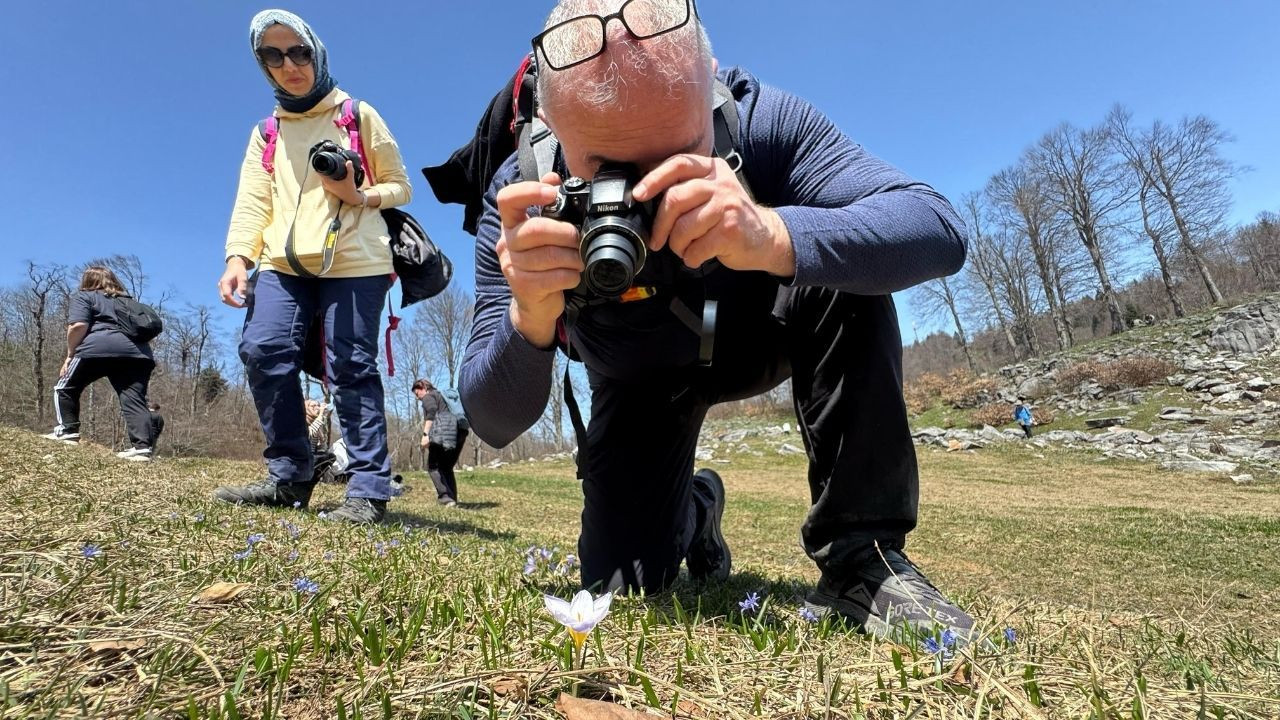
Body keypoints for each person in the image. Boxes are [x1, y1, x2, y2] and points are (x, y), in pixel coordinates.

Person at [457, 0, 974, 641]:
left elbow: (937, 228)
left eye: (678, 156)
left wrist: (776, 233)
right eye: (607, 171)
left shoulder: (758, 120)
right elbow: (491, 419)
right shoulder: (522, 195)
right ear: (551, 125)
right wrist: (529, 317)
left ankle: (862, 559)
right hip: (640, 381)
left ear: (711, 82)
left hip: (763, 334)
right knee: (623, 581)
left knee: (848, 261)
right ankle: (697, 511)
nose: (646, 196)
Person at [213, 9, 412, 524]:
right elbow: (252, 202)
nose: (289, 65)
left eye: (298, 51)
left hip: (356, 262)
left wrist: (358, 193)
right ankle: (290, 476)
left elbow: (400, 185)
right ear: (263, 65)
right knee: (263, 348)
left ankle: (368, 489)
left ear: (316, 52)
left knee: (351, 366)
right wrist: (238, 257)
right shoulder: (267, 132)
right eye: (273, 56)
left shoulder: (357, 114)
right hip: (283, 263)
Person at [42, 266, 157, 462]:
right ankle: (142, 448)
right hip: (139, 354)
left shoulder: (86, 296)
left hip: (97, 348)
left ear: (86, 281)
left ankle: (67, 430)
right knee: (134, 398)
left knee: (66, 386)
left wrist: (70, 354)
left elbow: (78, 326)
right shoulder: (129, 301)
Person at [412, 379, 468, 506]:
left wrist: (425, 435)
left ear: (423, 387)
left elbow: (431, 412)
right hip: (460, 430)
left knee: (433, 467)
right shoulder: (442, 397)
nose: (417, 397)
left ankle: (445, 497)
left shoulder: (429, 396)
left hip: (443, 429)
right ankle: (452, 499)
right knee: (447, 467)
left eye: (417, 393)